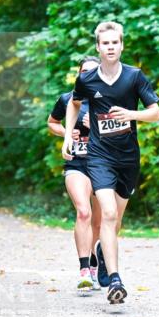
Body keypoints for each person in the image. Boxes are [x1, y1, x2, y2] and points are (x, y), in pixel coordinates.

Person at [62, 21, 159, 304]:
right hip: (99, 157)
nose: (110, 47)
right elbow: (73, 103)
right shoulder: (87, 79)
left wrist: (131, 114)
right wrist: (68, 135)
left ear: (121, 45)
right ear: (98, 46)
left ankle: (105, 258)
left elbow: (156, 113)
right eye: (105, 43)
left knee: (115, 220)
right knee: (105, 214)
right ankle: (115, 281)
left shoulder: (134, 77)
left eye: (115, 43)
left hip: (128, 158)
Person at [48, 56, 102, 292]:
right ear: (79, 74)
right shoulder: (68, 99)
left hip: (103, 164)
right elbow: (52, 123)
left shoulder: (108, 99)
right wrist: (67, 135)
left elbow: (125, 128)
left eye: (93, 71)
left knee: (100, 222)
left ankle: (93, 262)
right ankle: (83, 270)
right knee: (83, 212)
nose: (88, 75)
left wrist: (99, 125)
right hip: (77, 164)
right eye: (85, 72)